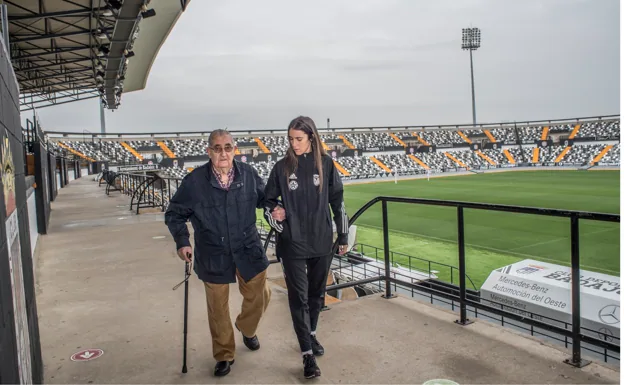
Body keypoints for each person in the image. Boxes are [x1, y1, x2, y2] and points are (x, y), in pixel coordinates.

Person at [164, 129, 272, 377]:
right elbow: (174, 214)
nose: (223, 152)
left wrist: (274, 208)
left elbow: (265, 199)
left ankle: (246, 327)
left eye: (227, 147)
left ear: (235, 149)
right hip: (213, 251)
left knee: (261, 294)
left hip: (247, 248)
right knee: (217, 309)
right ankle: (224, 354)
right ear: (209, 151)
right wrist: (183, 242)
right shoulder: (194, 182)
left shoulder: (249, 174)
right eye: (217, 147)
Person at [263, 116, 349, 379]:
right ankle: (307, 355)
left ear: (311, 137)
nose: (294, 143)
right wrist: (276, 213)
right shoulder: (281, 167)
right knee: (298, 298)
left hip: (322, 241)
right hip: (292, 243)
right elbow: (266, 202)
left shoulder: (327, 165)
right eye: (290, 139)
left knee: (316, 295)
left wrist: (343, 235)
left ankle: (311, 335)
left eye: (298, 138)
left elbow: (338, 203)